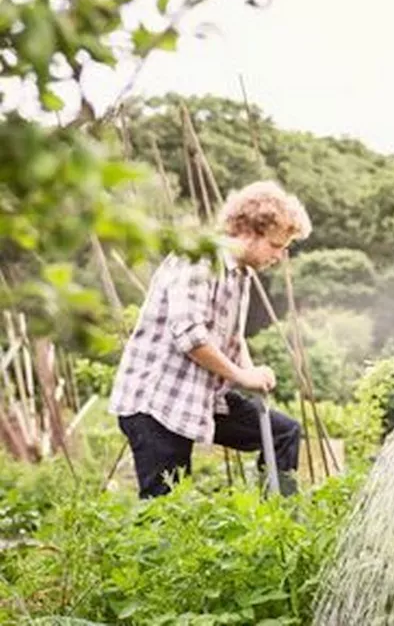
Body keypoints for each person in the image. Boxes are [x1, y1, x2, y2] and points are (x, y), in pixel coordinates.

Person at [108, 180, 312, 499]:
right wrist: (242, 375)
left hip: (201, 397)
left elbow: (231, 336)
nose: (280, 256)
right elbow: (191, 337)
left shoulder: (241, 273)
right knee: (166, 509)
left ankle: (277, 520)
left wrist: (250, 372)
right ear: (249, 231)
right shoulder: (199, 259)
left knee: (283, 432)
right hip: (157, 402)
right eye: (276, 246)